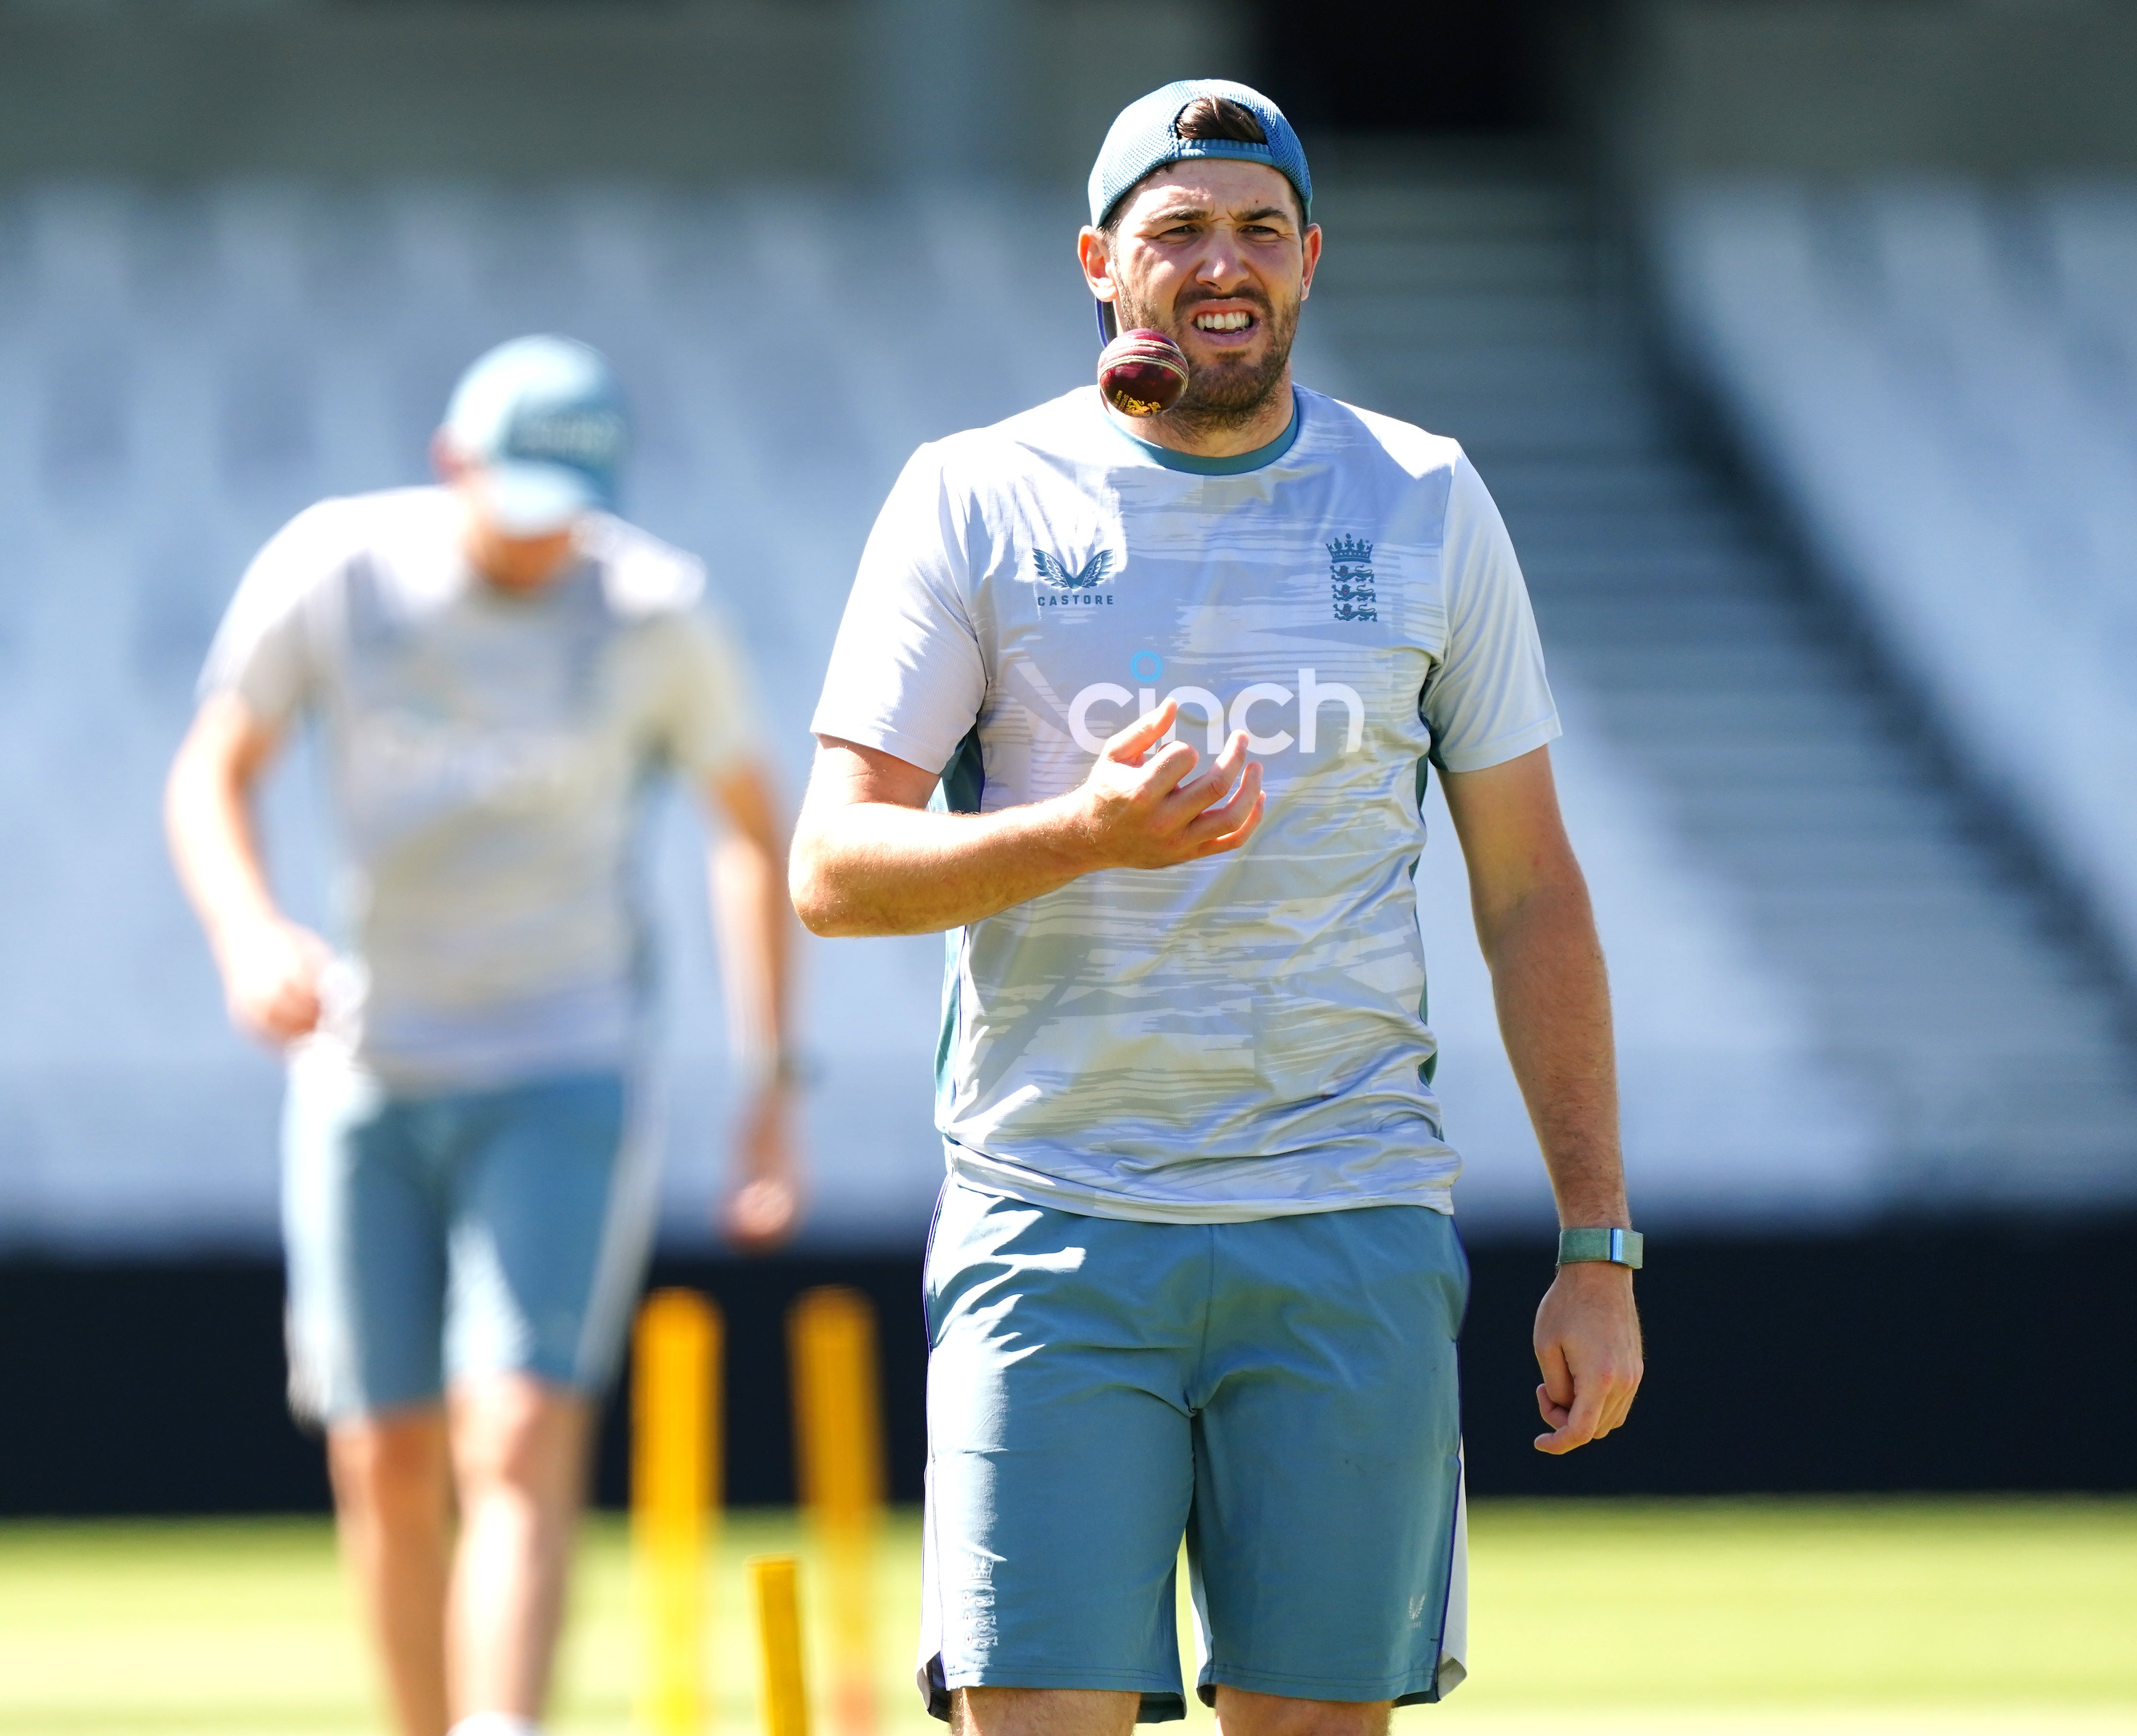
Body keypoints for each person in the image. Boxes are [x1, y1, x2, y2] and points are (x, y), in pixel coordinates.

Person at [790, 80, 1643, 1736]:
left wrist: (1597, 1248)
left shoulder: (1424, 497)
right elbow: (832, 870)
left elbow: (1530, 892)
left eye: (1258, 227)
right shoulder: (975, 494)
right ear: (1102, 264)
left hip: (1346, 1225)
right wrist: (1084, 836)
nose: (1221, 263)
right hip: (1052, 1220)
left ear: (1311, 259)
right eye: (1178, 231)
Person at [166, 335, 802, 1736]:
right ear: (450, 461)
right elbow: (212, 771)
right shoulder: (336, 573)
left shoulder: (652, 612)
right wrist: (251, 934)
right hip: (367, 1063)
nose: (536, 536)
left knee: (515, 1426)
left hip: (562, 1064)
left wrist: (767, 1083)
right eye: (512, 495)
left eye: (564, 502)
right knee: (384, 1453)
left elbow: (749, 835)